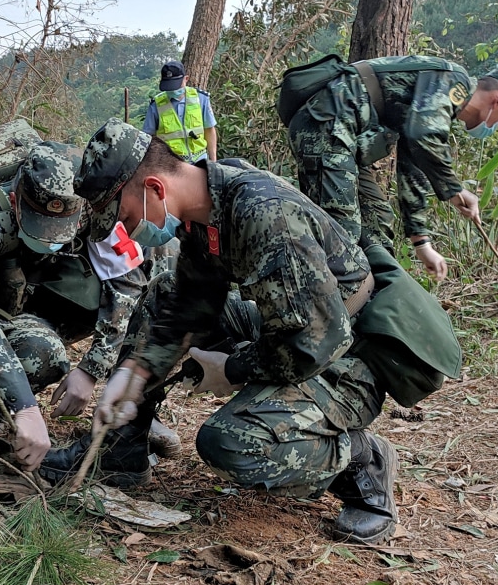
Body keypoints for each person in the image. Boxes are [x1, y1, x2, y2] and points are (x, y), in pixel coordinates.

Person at [43, 120, 462, 544]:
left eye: (126, 216)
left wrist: (232, 368)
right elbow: (191, 303)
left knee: (230, 443)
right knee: (164, 294)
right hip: (294, 327)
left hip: (350, 356)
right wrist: (135, 374)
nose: (128, 231)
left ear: (154, 188)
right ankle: (121, 451)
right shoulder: (205, 206)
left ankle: (361, 460)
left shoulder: (263, 214)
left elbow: (311, 345)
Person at [0, 141, 179, 472]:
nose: (52, 239)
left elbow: (126, 283)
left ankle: (130, 417)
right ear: (16, 202)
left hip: (62, 292)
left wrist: (92, 369)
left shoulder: (91, 200)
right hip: (11, 305)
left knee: (162, 272)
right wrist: (25, 405)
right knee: (40, 353)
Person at [282, 57, 498, 280]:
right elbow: (422, 135)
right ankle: (319, 314)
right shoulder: (453, 80)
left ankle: (375, 305)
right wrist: (455, 190)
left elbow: (413, 164)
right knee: (342, 235)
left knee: (377, 224)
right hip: (326, 126)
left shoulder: (438, 105)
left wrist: (421, 242)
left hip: (341, 136)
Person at [143, 61, 218, 164]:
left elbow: (209, 130)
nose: (173, 89)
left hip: (199, 160)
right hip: (171, 164)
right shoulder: (156, 105)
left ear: (186, 79)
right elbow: (149, 137)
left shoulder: (200, 99)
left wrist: (213, 161)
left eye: (176, 85)